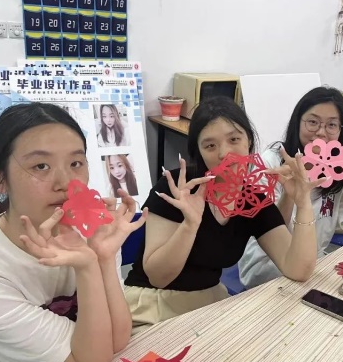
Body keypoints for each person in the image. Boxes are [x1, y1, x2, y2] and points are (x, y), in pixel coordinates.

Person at [0, 103, 147, 362]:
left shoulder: (92, 232)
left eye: (75, 163)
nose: (65, 183)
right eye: (41, 166)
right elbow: (93, 357)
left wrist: (102, 257)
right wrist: (87, 267)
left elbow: (117, 340)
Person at [123, 97, 325, 332]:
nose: (224, 153)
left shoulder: (252, 199)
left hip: (207, 305)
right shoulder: (178, 189)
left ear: (249, 141)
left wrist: (302, 202)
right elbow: (158, 278)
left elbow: (298, 269)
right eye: (210, 146)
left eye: (234, 139)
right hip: (152, 305)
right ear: (198, 152)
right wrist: (189, 225)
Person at [239, 86, 343, 289]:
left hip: (312, 263)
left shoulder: (337, 168)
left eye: (331, 125)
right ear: (298, 122)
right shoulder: (272, 163)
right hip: (268, 266)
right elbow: (270, 231)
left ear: (340, 130)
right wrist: (291, 194)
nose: (321, 133)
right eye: (313, 122)